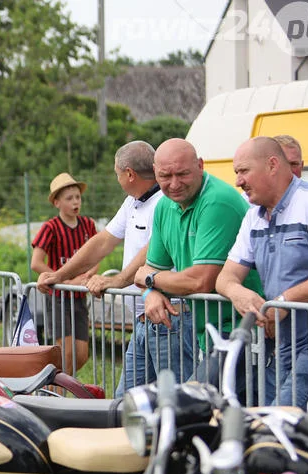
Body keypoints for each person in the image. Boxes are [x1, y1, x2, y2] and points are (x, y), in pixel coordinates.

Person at [38, 143, 194, 392]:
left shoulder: (164, 203)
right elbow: (103, 242)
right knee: (125, 402)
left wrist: (117, 280)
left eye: (117, 173)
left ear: (129, 174)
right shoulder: (132, 202)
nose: (117, 178)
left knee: (176, 401)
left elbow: (152, 250)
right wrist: (59, 274)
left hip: (169, 318)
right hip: (145, 320)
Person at [133, 138, 262, 389]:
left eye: (182, 174)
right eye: (165, 175)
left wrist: (149, 280)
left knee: (192, 403)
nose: (174, 183)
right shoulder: (163, 206)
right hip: (208, 333)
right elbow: (151, 270)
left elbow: (200, 281)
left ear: (200, 166)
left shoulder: (217, 201)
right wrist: (150, 293)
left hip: (242, 330)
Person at [216, 136, 308, 407]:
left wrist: (283, 301)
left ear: (272, 165)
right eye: (236, 173)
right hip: (281, 347)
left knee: (277, 424)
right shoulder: (253, 216)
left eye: (243, 171)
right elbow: (225, 278)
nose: (238, 181)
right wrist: (238, 293)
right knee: (273, 426)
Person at [30, 173, 97, 372]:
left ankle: (55, 385)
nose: (76, 202)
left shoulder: (88, 225)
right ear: (57, 203)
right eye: (69, 198)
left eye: (78, 197)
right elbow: (36, 263)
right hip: (59, 297)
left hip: (80, 296)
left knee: (82, 354)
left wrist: (86, 277)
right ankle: (55, 393)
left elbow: (95, 258)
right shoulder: (50, 228)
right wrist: (62, 279)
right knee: (66, 352)